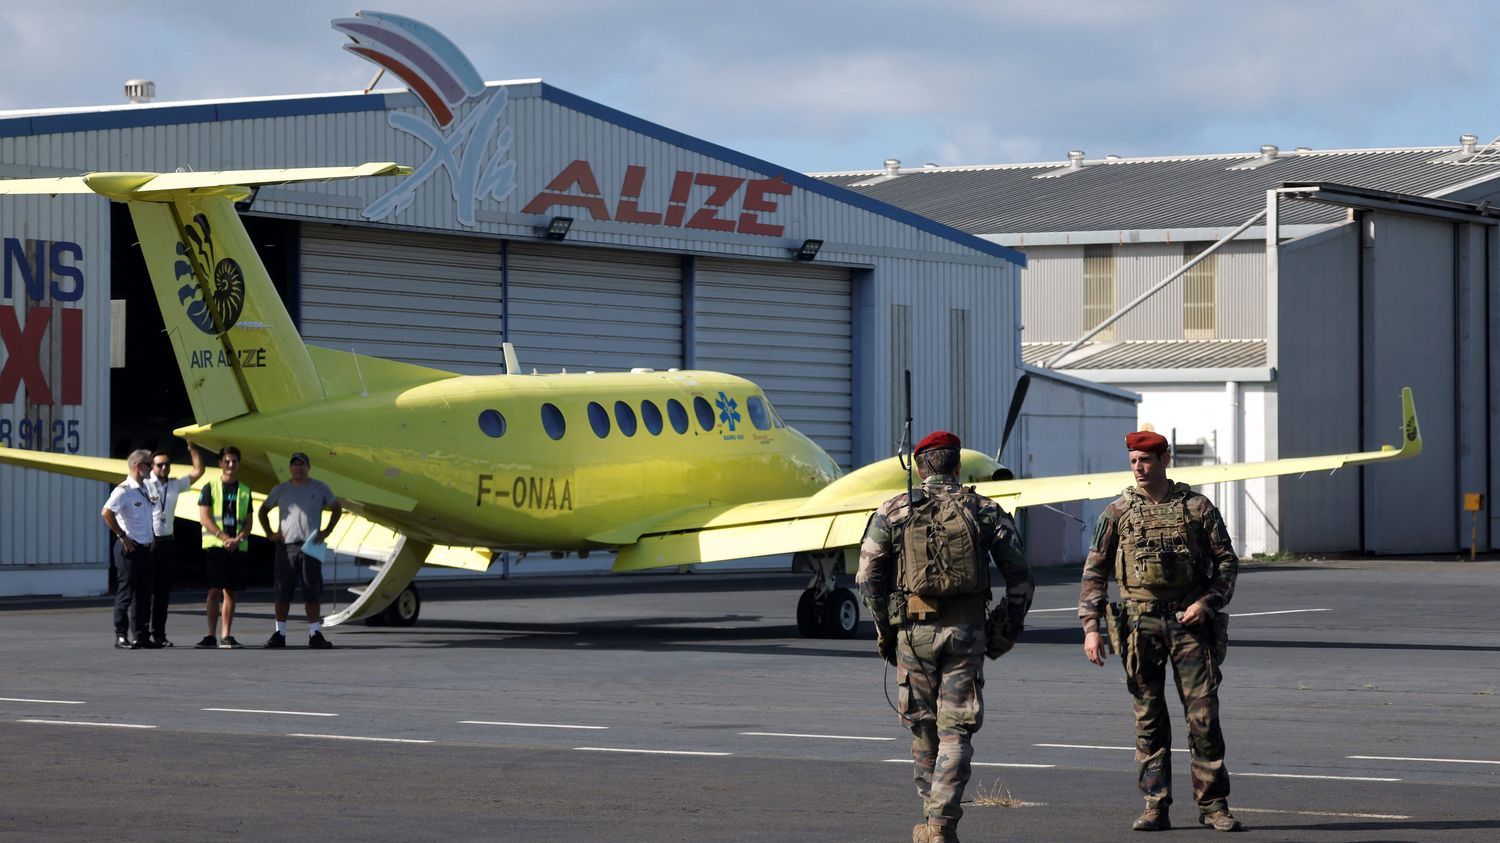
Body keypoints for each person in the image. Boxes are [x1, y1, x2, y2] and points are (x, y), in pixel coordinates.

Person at [857, 430, 1034, 843]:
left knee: (924, 730)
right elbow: (1021, 578)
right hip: (966, 633)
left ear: (920, 468)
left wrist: (886, 629)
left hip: (913, 636)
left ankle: (931, 818)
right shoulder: (984, 509)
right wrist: (1002, 631)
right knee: (956, 732)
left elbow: (867, 576)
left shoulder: (894, 510)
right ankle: (940, 824)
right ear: (958, 466)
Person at [1079, 430, 1243, 833]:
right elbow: (1094, 573)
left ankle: (1214, 806)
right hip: (1139, 624)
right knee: (1149, 720)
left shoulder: (1197, 508)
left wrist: (1206, 603)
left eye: (1146, 460)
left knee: (1203, 716)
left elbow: (1226, 563)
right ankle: (1155, 804)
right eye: (1134, 460)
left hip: (1189, 622)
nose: (1138, 468)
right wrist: (1091, 628)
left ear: (1165, 459)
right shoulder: (1116, 513)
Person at [257, 451, 342, 649]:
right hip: (286, 547)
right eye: (295, 465)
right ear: (290, 468)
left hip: (310, 546)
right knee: (282, 592)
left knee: (312, 591)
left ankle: (314, 633)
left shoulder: (320, 487)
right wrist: (270, 533)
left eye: (302, 464)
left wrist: (327, 530)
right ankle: (280, 633)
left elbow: (336, 507)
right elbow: (263, 510)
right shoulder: (281, 489)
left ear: (308, 467)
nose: (299, 468)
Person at [142, 442, 204, 647]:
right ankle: (141, 633)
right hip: (149, 542)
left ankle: (159, 634)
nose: (164, 468)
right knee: (144, 589)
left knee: (163, 592)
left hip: (168, 542)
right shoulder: (144, 485)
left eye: (167, 464)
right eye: (159, 465)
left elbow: (198, 471)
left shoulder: (175, 484)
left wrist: (193, 448)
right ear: (152, 466)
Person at [197, 446, 252, 649]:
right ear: (220, 463)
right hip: (216, 546)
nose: (230, 465)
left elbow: (248, 521)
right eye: (227, 461)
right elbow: (204, 517)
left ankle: (226, 635)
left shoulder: (245, 490)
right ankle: (210, 634)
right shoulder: (209, 487)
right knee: (214, 590)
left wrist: (238, 539)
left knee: (231, 591)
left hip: (236, 547)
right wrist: (223, 537)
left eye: (234, 461)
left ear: (238, 464)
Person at [101, 449, 157, 649]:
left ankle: (141, 635)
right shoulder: (123, 490)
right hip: (129, 546)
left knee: (143, 593)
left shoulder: (144, 489)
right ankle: (121, 635)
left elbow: (146, 515)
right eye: (149, 464)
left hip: (144, 547)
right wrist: (121, 535)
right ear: (138, 466)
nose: (152, 468)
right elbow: (106, 512)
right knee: (126, 592)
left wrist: (151, 536)